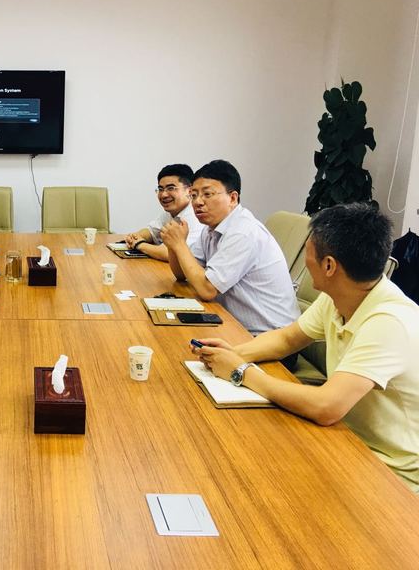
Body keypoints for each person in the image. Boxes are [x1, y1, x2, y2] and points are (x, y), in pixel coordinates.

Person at [194, 203, 419, 493]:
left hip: (390, 471)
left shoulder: (389, 321)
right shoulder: (341, 294)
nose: (305, 257)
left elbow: (326, 407)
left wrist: (241, 372)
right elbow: (288, 339)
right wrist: (233, 354)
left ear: (329, 266)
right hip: (344, 438)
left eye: (309, 250)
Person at [161, 160, 299, 337]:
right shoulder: (210, 229)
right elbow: (182, 274)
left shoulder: (243, 232)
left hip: (268, 337)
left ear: (233, 198)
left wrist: (180, 245)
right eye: (194, 195)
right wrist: (173, 246)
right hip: (232, 324)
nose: (198, 202)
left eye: (207, 194)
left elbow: (207, 290)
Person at [125, 164, 204, 261]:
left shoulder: (196, 216)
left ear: (189, 191)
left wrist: (139, 244)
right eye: (160, 189)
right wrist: (135, 237)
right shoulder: (171, 212)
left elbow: (174, 253)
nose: (163, 195)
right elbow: (151, 231)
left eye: (171, 188)